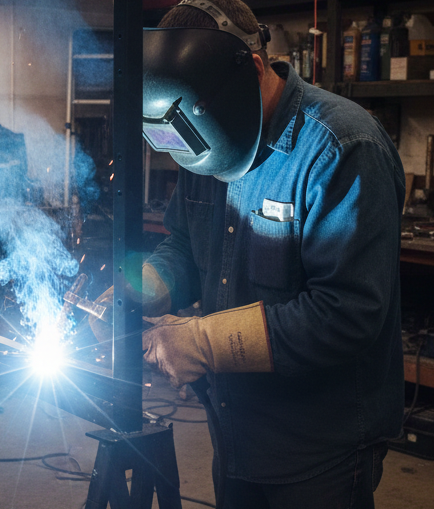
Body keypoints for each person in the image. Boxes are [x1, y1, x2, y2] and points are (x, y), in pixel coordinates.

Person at [128, 0, 405, 507]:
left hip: (320, 445)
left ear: (254, 69)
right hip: (233, 425)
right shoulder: (199, 128)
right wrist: (142, 283)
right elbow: (186, 244)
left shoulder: (342, 147)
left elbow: (347, 313)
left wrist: (203, 342)